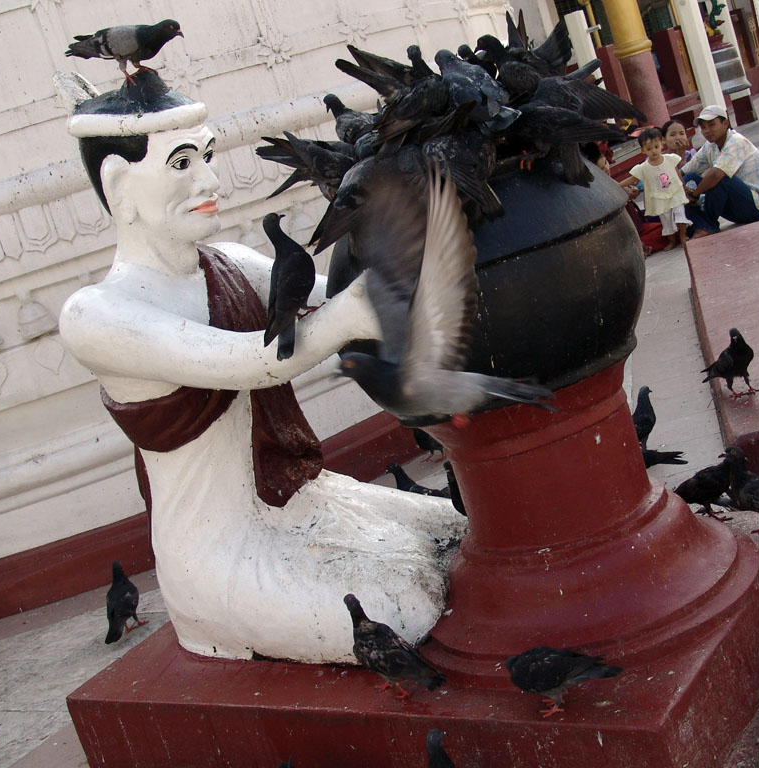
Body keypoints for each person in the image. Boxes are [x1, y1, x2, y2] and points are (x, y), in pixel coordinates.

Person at [56, 71, 467, 665]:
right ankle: (219, 620)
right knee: (398, 606)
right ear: (118, 185)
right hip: (220, 552)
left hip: (300, 500)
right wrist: (357, 309)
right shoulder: (98, 315)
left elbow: (329, 294)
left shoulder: (229, 263)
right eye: (180, 163)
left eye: (207, 155)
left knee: (452, 528)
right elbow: (254, 363)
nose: (208, 179)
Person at [681, 105, 759, 238]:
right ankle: (702, 225)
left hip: (756, 208)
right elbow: (683, 172)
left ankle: (707, 225)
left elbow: (717, 174)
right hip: (735, 208)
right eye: (703, 127)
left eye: (712, 125)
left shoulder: (736, 141)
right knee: (689, 178)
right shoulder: (710, 146)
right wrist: (684, 189)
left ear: (725, 123)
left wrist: (695, 194)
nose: (707, 131)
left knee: (720, 176)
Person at [619, 128, 689, 251]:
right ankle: (671, 240)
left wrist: (683, 186)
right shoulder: (643, 167)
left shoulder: (670, 158)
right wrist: (618, 185)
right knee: (666, 220)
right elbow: (632, 179)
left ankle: (683, 236)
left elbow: (677, 173)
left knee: (679, 214)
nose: (653, 151)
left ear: (662, 144)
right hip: (659, 198)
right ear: (643, 151)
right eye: (649, 149)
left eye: (656, 146)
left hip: (675, 193)